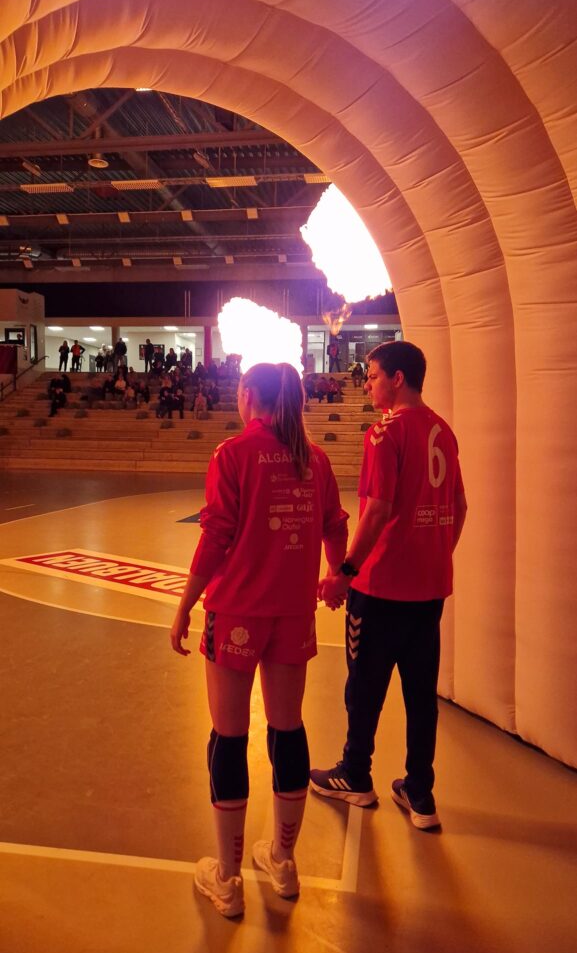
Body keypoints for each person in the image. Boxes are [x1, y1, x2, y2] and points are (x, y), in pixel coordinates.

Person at [170, 362, 348, 918]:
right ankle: (284, 863)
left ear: (248, 395)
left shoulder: (232, 454)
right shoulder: (313, 458)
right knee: (287, 730)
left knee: (228, 737)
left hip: (237, 614)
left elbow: (216, 537)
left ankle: (227, 879)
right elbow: (336, 524)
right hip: (292, 615)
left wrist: (186, 603)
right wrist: (336, 575)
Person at [310, 341, 467, 830]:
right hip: (430, 590)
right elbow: (459, 508)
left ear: (398, 379)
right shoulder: (443, 431)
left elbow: (376, 512)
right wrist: (435, 554)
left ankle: (355, 774)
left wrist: (344, 572)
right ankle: (420, 793)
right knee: (421, 695)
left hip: (380, 591)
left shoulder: (385, 432)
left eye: (373, 376)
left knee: (364, 687)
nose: (367, 384)